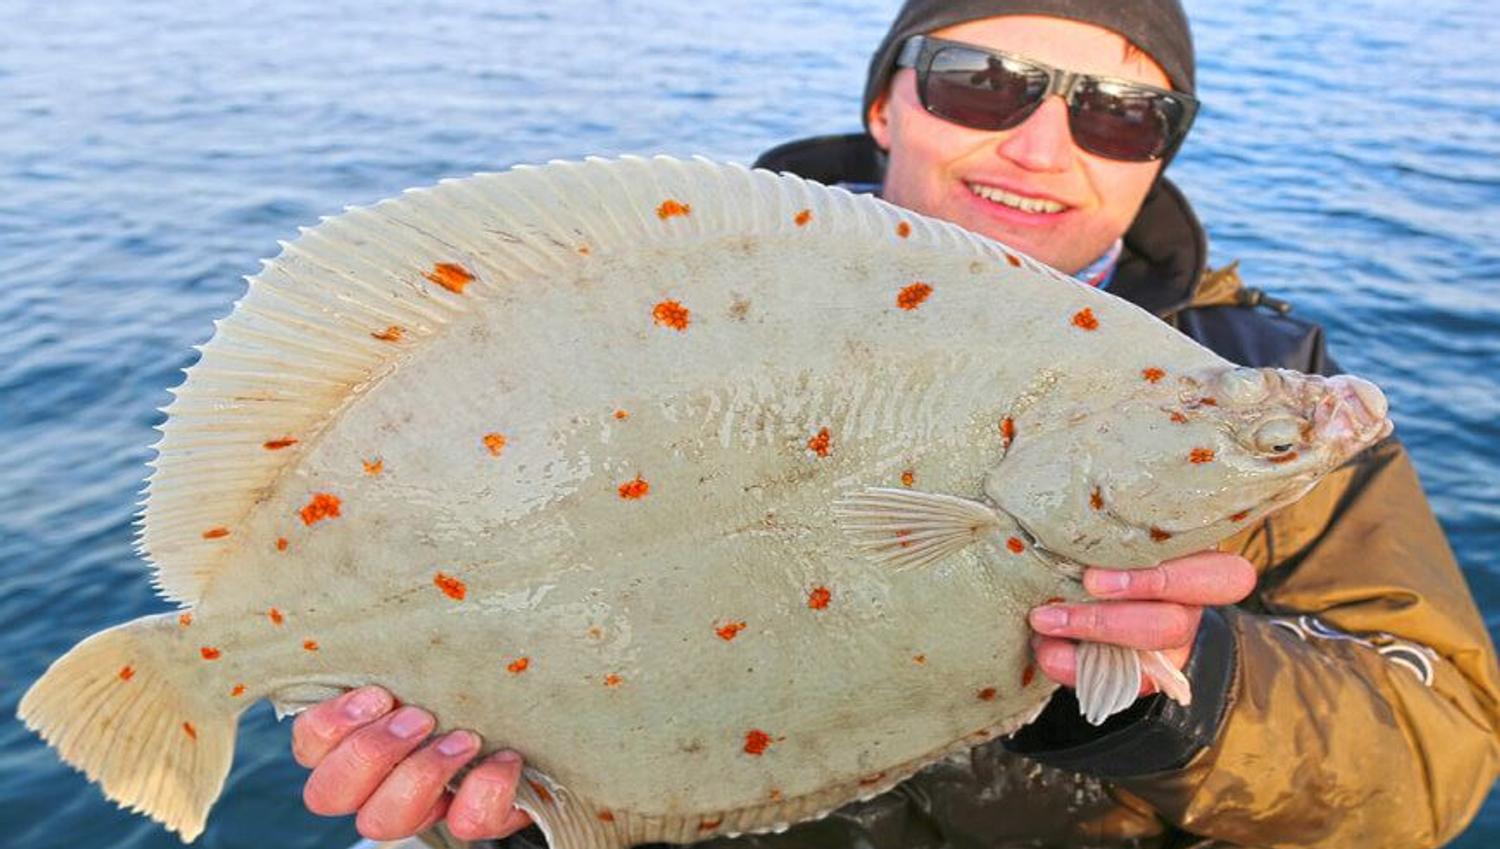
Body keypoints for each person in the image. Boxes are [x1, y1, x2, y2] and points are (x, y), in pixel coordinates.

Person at [290, 1, 1500, 846]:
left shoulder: (1246, 379)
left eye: (1121, 117)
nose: (1038, 144)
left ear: (1156, 160)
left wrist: (1183, 689)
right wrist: (499, 815)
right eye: (984, 84)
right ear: (886, 103)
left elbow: (1433, 758)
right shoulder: (688, 305)